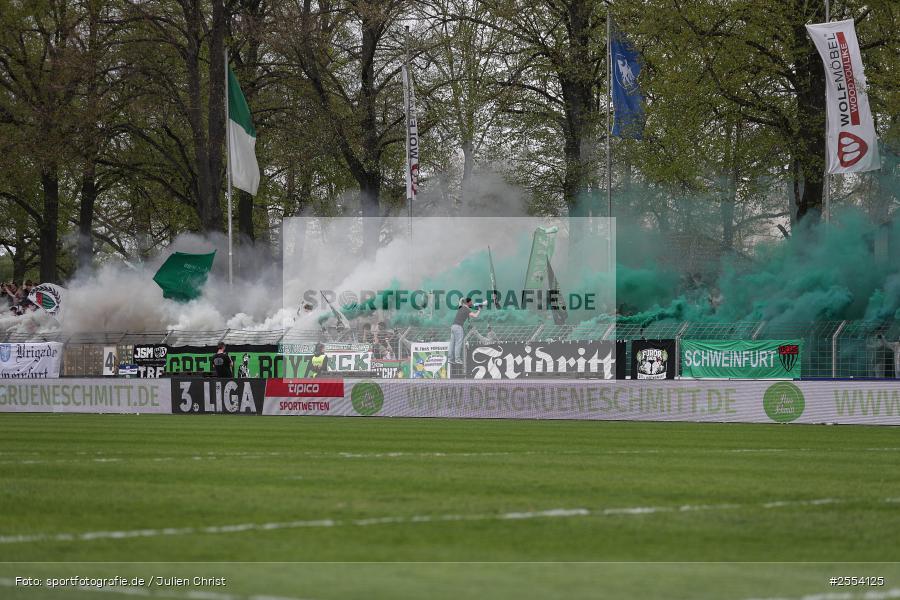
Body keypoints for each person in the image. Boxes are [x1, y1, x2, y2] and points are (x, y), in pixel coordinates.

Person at [450, 297, 480, 365]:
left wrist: (463, 299)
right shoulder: (467, 309)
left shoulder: (461, 307)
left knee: (452, 343)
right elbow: (475, 316)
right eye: (471, 302)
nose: (471, 303)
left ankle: (450, 359)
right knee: (458, 343)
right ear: (468, 303)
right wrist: (479, 310)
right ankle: (457, 359)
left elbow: (460, 302)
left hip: (453, 326)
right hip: (458, 327)